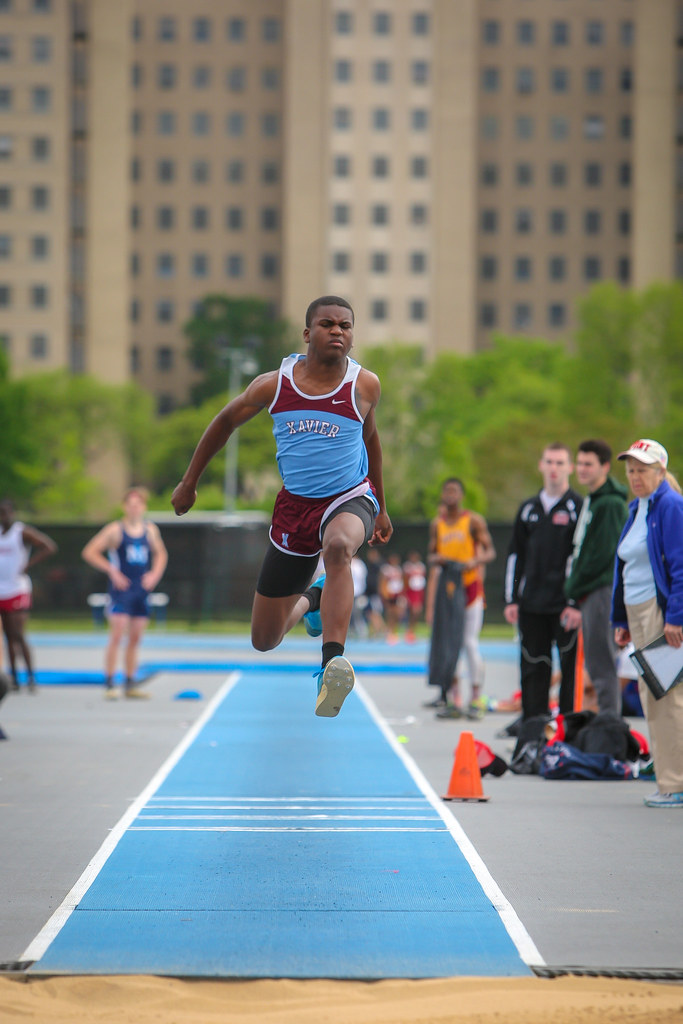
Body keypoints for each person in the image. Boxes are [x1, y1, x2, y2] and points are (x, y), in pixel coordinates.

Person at [171, 296, 392, 717]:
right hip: (295, 509)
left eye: (345, 326)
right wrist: (189, 482)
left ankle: (332, 665)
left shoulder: (364, 385)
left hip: (349, 497)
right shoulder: (275, 384)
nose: (338, 331)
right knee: (265, 638)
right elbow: (224, 421)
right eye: (327, 324)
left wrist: (380, 505)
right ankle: (314, 597)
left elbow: (372, 441)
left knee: (340, 546)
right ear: (308, 334)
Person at [612, 438, 683, 808]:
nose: (635, 475)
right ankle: (668, 777)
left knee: (666, 698)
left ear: (660, 471)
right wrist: (620, 617)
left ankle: (675, 782)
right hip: (636, 611)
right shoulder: (635, 508)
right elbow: (627, 566)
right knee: (650, 696)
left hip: (659, 613)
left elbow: (681, 565)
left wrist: (675, 617)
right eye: (631, 469)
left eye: (642, 469)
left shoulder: (670, 505)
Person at [503, 444, 582, 721]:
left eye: (560, 463)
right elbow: (516, 555)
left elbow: (581, 558)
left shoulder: (579, 508)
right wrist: (512, 599)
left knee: (571, 670)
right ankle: (532, 729)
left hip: (565, 607)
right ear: (541, 465)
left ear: (570, 468)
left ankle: (567, 731)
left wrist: (575, 602)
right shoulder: (528, 509)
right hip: (531, 604)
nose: (554, 468)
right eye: (549, 461)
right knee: (533, 667)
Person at [82, 487, 168, 699]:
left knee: (136, 636)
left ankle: (130, 683)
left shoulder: (150, 530)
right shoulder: (115, 530)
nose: (134, 508)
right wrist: (112, 571)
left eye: (138, 504)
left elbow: (161, 554)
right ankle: (110, 682)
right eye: (130, 504)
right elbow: (90, 551)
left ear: (144, 507)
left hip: (141, 590)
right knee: (117, 634)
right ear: (124, 507)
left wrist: (154, 575)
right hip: (121, 590)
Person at [563, 440, 628, 714]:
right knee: (594, 661)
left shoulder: (610, 504)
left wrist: (573, 587)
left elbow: (602, 555)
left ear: (604, 466)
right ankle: (606, 720)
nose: (582, 469)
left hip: (601, 590)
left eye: (589, 464)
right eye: (579, 463)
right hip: (590, 590)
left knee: (601, 661)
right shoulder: (592, 499)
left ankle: (610, 725)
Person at [425, 478, 496, 716]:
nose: (450, 495)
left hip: (470, 587)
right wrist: (440, 560)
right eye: (447, 491)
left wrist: (474, 562)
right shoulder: (438, 524)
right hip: (449, 588)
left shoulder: (473, 520)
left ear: (462, 495)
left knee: (469, 642)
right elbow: (432, 554)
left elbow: (490, 551)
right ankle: (455, 698)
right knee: (449, 643)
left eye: (455, 491)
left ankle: (475, 696)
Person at [0, 499, 57, 692]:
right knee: (7, 636)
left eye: (5, 513)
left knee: (18, 634)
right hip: (1, 589)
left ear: (12, 513)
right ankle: (14, 678)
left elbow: (49, 546)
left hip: (17, 589)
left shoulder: (21, 532)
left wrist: (27, 565)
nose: (3, 517)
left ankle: (31, 676)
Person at [379, 551, 406, 643]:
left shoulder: (398, 569)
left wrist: (402, 594)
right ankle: (389, 631)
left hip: (397, 593)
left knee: (397, 613)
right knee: (390, 612)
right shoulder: (386, 569)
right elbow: (382, 582)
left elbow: (401, 581)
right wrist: (384, 594)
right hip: (389, 594)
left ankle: (394, 630)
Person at [402, 550, 427, 642]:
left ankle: (412, 630)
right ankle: (409, 629)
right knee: (413, 610)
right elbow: (404, 580)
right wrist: (404, 593)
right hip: (410, 591)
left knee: (417, 611)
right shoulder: (407, 567)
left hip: (419, 591)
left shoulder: (421, 566)